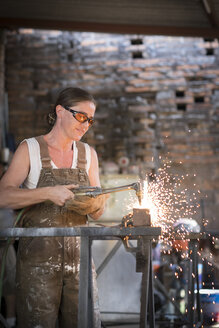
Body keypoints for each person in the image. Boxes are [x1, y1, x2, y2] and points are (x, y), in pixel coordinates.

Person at [0, 87, 107, 328]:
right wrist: (48, 193)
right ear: (60, 111)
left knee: (85, 322)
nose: (86, 124)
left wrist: (95, 202)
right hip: (38, 264)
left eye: (90, 120)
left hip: (80, 263)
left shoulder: (88, 155)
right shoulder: (31, 149)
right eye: (81, 116)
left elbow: (98, 212)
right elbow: (3, 196)